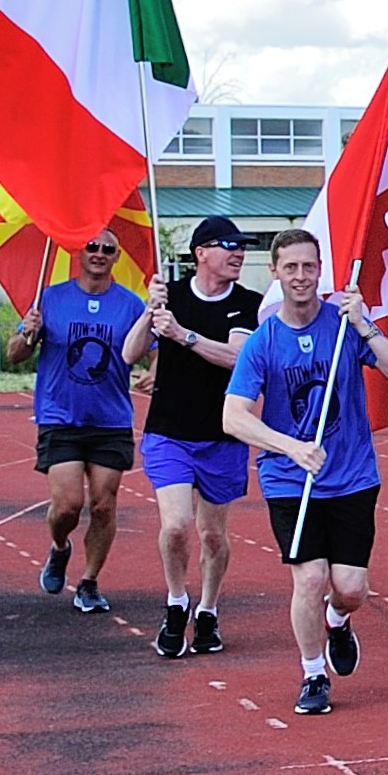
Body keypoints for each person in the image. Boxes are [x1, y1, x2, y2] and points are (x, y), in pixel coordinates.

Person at [222, 229, 388, 718]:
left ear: (320, 271)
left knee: (350, 588)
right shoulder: (264, 341)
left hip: (352, 475)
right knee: (309, 578)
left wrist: (367, 328)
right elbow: (233, 416)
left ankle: (337, 620)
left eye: (309, 267)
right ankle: (313, 674)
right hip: (291, 479)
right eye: (290, 267)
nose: (301, 276)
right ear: (274, 273)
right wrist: (290, 447)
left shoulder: (345, 326)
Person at [5, 227, 150, 615]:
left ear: (116, 257)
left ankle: (88, 581)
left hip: (111, 419)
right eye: (92, 246)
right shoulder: (50, 299)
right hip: (60, 416)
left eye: (108, 248)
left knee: (103, 505)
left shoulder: (131, 305)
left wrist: (158, 373)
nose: (99, 253)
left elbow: (155, 349)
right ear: (79, 253)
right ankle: (59, 546)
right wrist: (27, 336)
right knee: (68, 505)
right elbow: (14, 354)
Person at [139, 215, 263, 658]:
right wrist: (148, 313)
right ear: (201, 253)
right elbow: (129, 353)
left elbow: (236, 357)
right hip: (169, 432)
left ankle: (208, 609)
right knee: (175, 526)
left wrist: (182, 335)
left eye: (242, 246)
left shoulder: (248, 302)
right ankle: (176, 602)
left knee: (213, 534)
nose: (239, 253)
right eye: (229, 245)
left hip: (222, 433)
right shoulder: (168, 297)